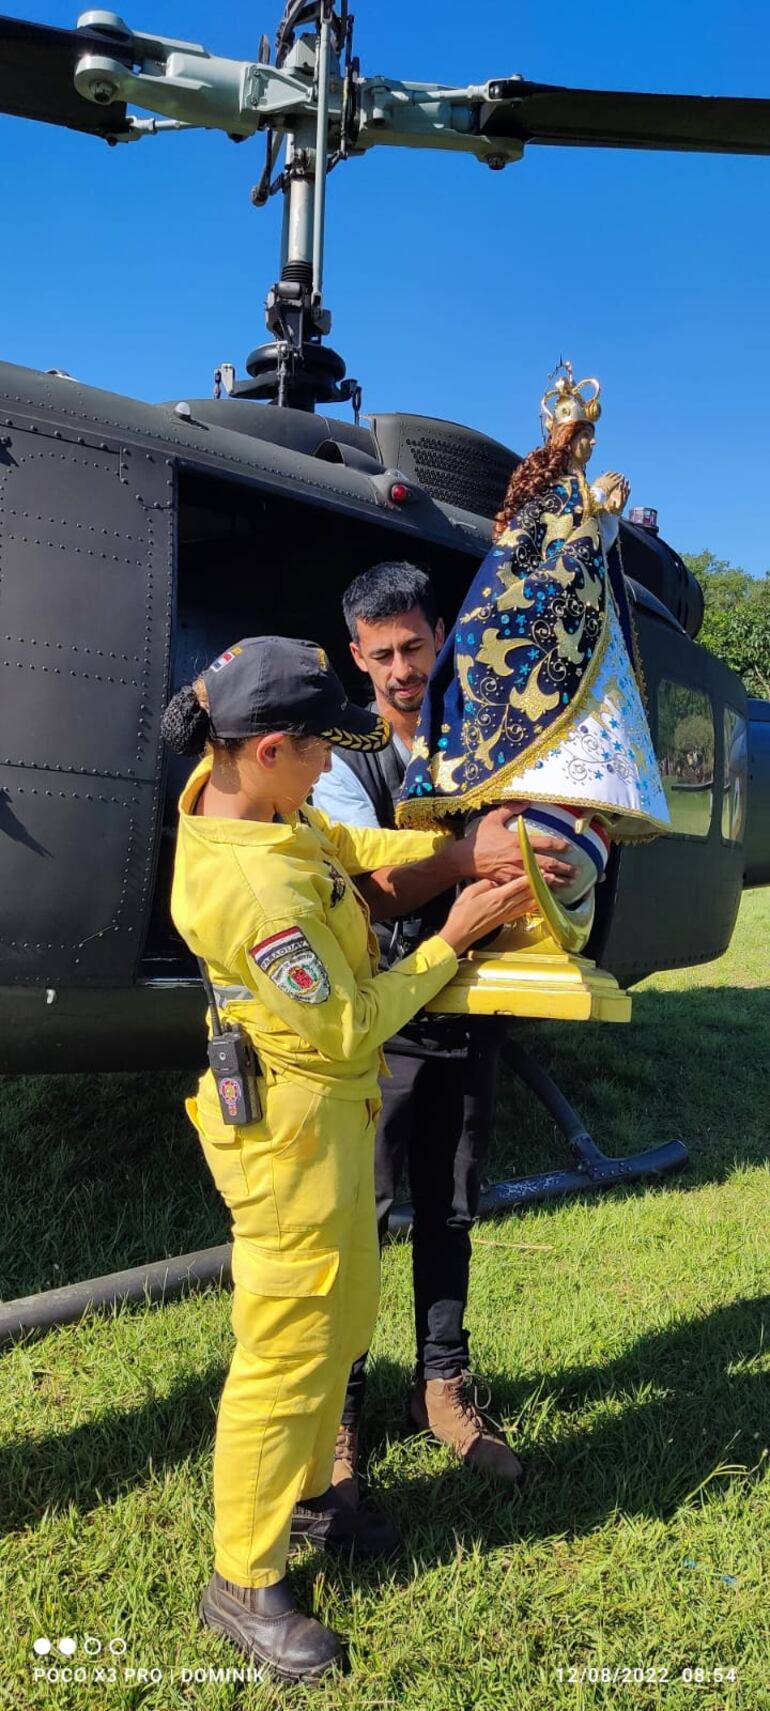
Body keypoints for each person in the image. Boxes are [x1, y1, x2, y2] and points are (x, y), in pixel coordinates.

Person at [162, 634, 548, 1684]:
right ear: (271, 746)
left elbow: (336, 841)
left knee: (336, 1320)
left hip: (321, 1127)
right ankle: (245, 1577)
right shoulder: (255, 896)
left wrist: (456, 854)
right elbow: (347, 1026)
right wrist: (452, 931)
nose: (332, 766)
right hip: (292, 1131)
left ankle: (301, 1499)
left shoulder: (241, 791)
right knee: (285, 1349)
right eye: (318, 750)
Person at [313, 563, 574, 1493]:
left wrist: (566, 854)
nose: (400, 670)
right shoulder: (340, 755)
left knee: (453, 1205)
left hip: (474, 1007)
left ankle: (442, 1388)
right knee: (359, 1220)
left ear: (441, 637)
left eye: (414, 647)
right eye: (380, 654)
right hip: (382, 1016)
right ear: (357, 655)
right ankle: (339, 1415)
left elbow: (541, 841)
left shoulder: (487, 735)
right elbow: (367, 892)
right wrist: (469, 861)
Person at [396, 364, 670, 933]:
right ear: (560, 437)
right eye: (581, 436)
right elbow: (537, 580)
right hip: (548, 634)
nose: (588, 445)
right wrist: (599, 524)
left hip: (586, 640)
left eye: (591, 437)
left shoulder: (573, 499)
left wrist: (604, 524)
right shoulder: (550, 506)